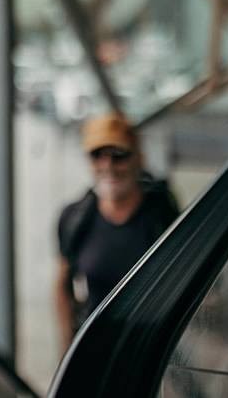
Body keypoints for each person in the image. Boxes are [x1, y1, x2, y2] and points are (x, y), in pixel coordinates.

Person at [53, 112, 178, 351]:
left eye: (119, 155)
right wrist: (67, 347)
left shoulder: (161, 215)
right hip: (99, 348)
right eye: (97, 155)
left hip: (155, 346)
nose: (108, 165)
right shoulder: (75, 219)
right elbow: (61, 285)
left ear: (138, 159)